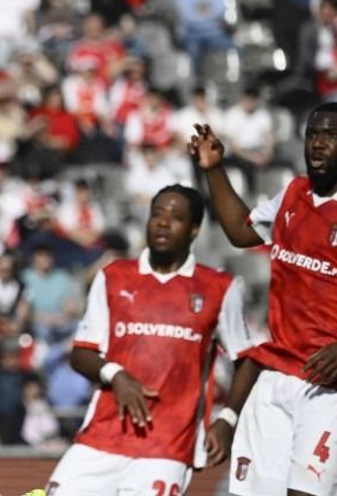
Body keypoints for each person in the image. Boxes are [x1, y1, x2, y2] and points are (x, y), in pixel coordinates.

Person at [190, 102, 337, 496]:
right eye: (312, 134)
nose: (318, 143)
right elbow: (240, 231)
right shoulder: (294, 193)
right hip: (275, 377)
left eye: (331, 135)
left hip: (335, 385)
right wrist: (214, 169)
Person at [44, 185, 261, 495]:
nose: (163, 222)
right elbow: (81, 353)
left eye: (175, 217)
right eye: (157, 214)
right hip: (101, 439)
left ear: (194, 229)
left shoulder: (218, 287)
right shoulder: (113, 277)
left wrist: (228, 418)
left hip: (167, 448)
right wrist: (116, 375)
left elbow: (247, 359)